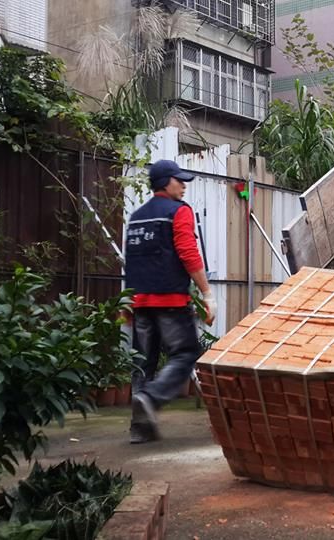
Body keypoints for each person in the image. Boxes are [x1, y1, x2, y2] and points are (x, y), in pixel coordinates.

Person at [124, 159, 217, 444]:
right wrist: (207, 294)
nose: (184, 185)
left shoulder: (137, 217)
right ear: (165, 183)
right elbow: (188, 253)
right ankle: (150, 399)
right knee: (185, 354)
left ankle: (140, 429)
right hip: (170, 300)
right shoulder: (179, 211)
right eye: (179, 180)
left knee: (142, 363)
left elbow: (132, 261)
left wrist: (126, 303)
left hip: (140, 303)